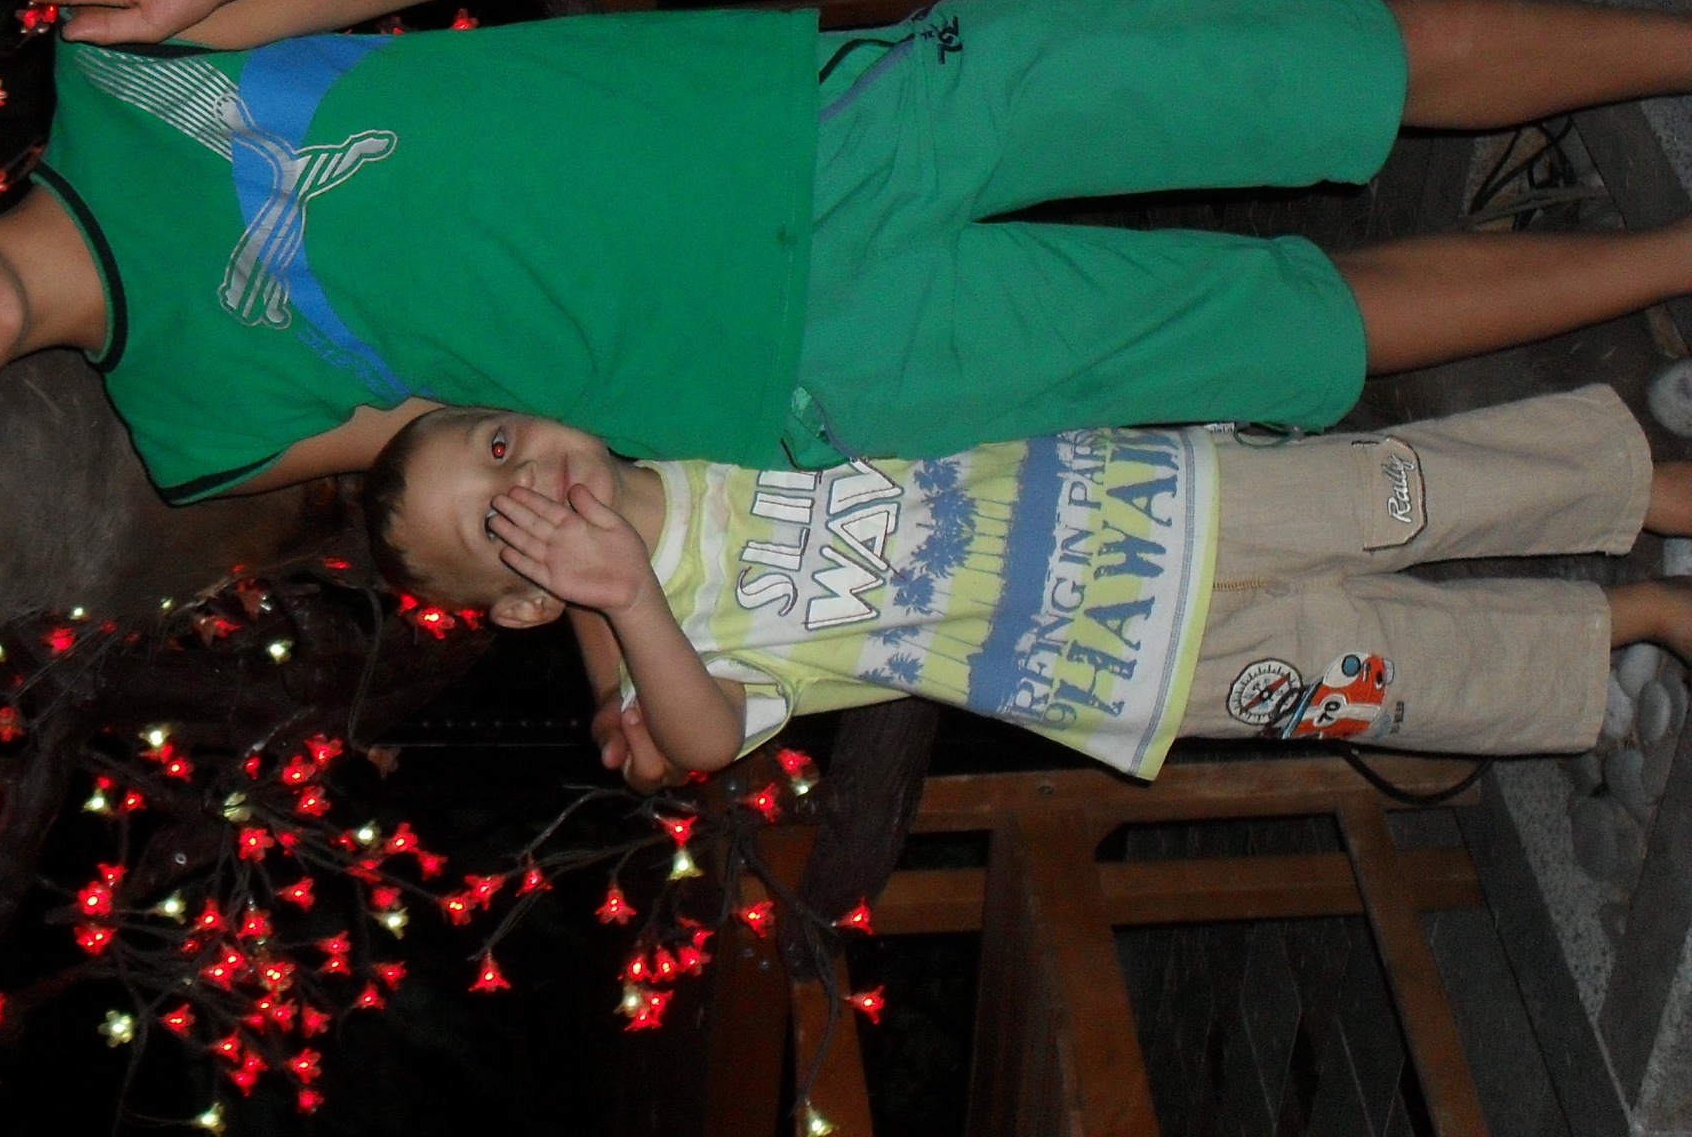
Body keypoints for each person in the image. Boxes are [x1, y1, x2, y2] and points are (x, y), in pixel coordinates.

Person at [0, 0, 1692, 498]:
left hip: (813, 120)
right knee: (1292, 333)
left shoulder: (123, 62)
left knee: (1310, 71)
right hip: (805, 366)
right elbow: (463, 447)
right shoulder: (196, 438)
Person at [359, 390, 1692, 787]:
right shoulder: (666, 638)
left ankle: (1654, 489)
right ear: (523, 604)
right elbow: (703, 743)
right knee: (1390, 673)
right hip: (1123, 667)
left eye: (500, 445)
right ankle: (1646, 619)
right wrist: (630, 602)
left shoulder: (696, 417)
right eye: (495, 520)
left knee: (1399, 486)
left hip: (1145, 498)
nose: (526, 481)